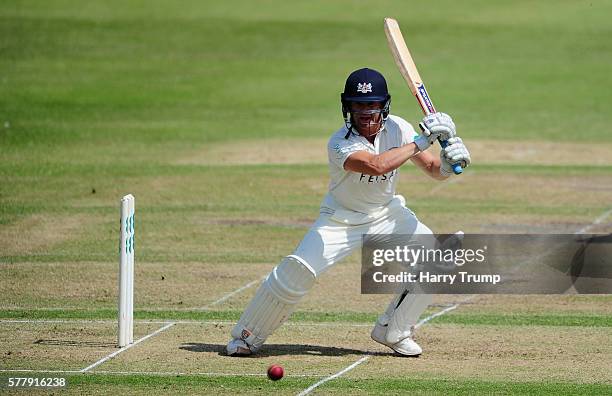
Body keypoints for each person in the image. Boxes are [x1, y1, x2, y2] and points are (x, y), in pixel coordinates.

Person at [226, 67, 471, 357]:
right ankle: (247, 335)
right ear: (348, 108)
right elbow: (376, 165)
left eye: (372, 105)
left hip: (387, 215)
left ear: (383, 105)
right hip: (341, 219)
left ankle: (393, 330)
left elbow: (432, 169)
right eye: (359, 105)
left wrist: (446, 162)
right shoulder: (339, 142)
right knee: (297, 271)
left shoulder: (399, 128)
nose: (366, 113)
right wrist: (422, 140)